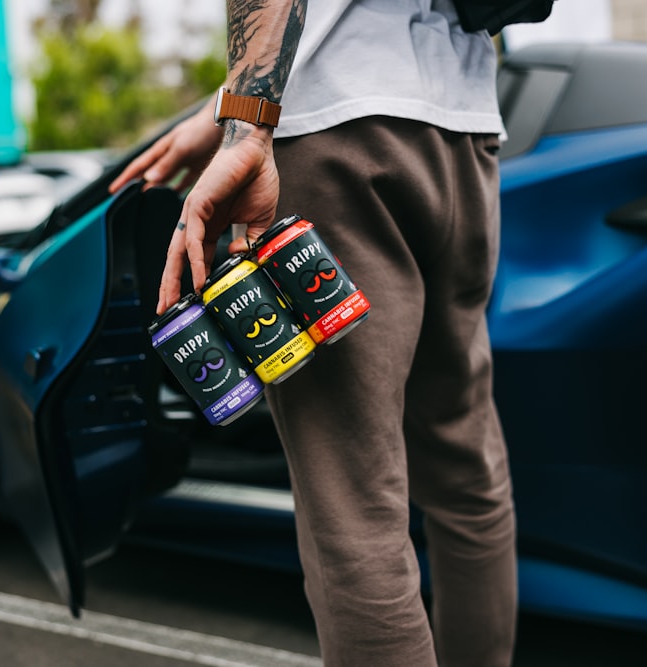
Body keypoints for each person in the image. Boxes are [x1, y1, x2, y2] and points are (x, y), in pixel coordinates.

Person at [110, 1, 517, 664]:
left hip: (336, 135)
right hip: (464, 133)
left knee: (355, 511)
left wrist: (245, 125)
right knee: (469, 480)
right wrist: (221, 109)